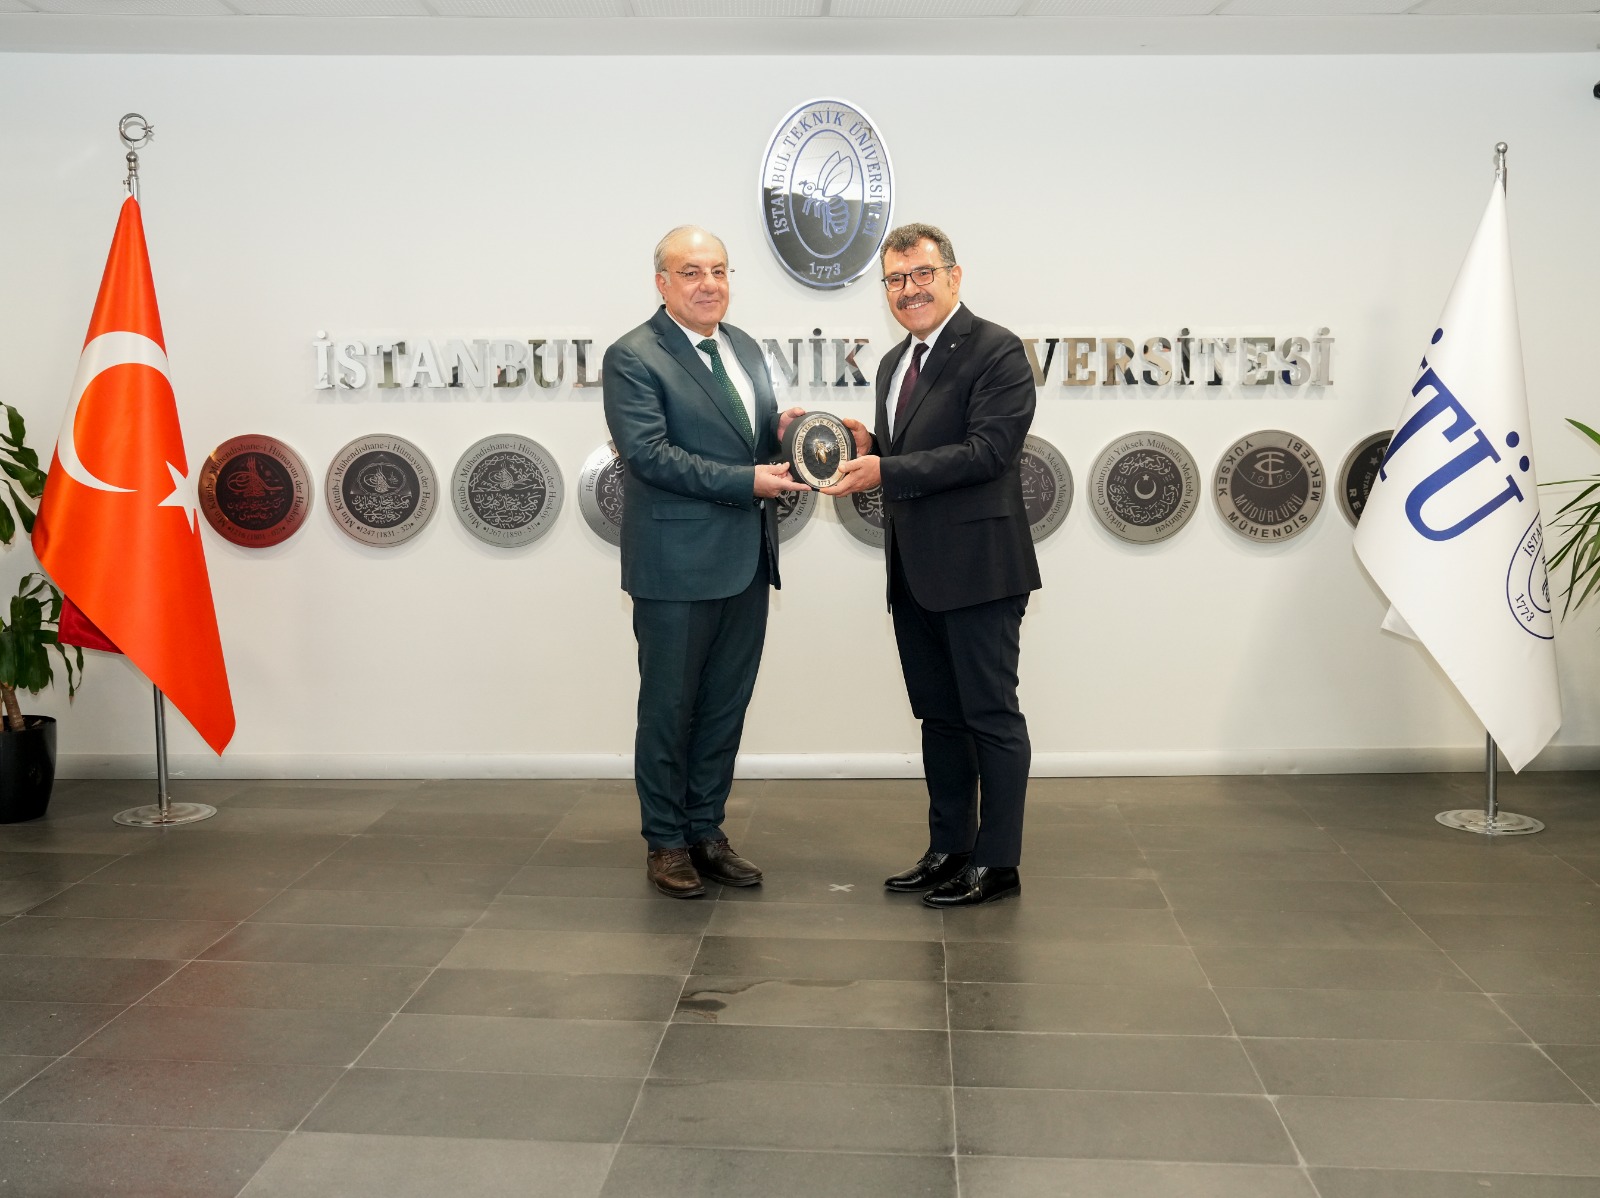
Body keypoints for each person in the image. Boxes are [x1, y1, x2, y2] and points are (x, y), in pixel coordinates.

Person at [825, 223, 1041, 908]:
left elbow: (987, 452)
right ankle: (950, 848)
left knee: (990, 717)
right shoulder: (895, 363)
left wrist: (886, 469)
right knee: (940, 720)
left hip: (980, 570)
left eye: (922, 274)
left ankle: (997, 862)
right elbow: (915, 447)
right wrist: (868, 443)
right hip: (915, 573)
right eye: (895, 279)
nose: (909, 289)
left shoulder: (996, 349)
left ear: (953, 275)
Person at [602, 226, 807, 899]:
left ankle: (706, 831)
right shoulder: (633, 356)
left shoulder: (742, 346)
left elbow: (753, 433)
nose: (708, 284)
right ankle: (666, 841)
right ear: (661, 283)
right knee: (669, 709)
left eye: (718, 270)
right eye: (691, 272)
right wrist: (748, 480)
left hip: (745, 561)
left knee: (724, 707)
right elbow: (650, 455)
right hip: (675, 566)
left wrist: (787, 430)